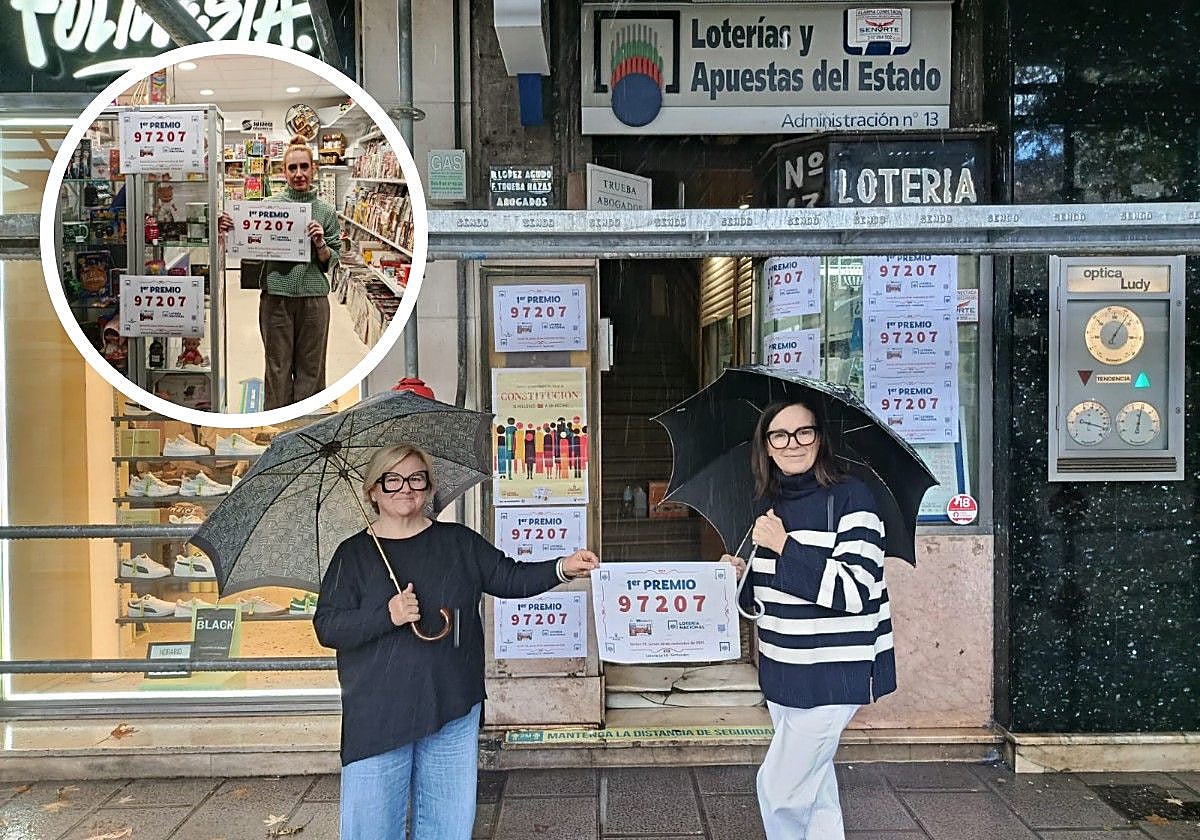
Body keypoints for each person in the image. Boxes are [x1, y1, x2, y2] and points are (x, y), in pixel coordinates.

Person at [313, 444, 599, 840]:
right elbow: (328, 627)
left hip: (450, 700)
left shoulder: (458, 543)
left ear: (429, 488)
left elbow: (510, 577)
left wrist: (561, 568)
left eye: (416, 478)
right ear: (372, 491)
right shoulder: (353, 555)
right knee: (371, 827)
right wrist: (388, 615)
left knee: (447, 825)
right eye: (391, 479)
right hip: (377, 711)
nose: (405, 488)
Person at [722, 399, 895, 840]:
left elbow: (855, 591)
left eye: (804, 432)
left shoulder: (852, 498)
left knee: (780, 789)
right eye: (779, 434)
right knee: (814, 791)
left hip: (834, 671)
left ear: (820, 438)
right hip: (784, 667)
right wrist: (742, 573)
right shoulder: (768, 501)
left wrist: (785, 547)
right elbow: (765, 599)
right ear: (766, 446)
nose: (792, 443)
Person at [218, 135, 341, 409]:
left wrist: (320, 243)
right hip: (276, 298)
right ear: (283, 171)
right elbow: (248, 236)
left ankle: (306, 427)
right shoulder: (269, 206)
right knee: (277, 370)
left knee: (312, 371)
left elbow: (332, 260)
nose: (299, 174)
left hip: (314, 300)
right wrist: (229, 224)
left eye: (304, 167)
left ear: (313, 169)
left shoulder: (326, 211)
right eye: (293, 168)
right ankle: (278, 428)